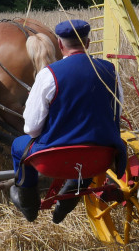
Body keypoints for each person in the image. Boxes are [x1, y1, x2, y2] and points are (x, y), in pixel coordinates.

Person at [9, 18, 127, 223]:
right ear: (88, 43)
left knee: (18, 147)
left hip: (52, 161)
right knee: (89, 149)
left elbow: (32, 128)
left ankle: (29, 205)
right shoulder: (110, 71)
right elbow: (117, 110)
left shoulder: (49, 74)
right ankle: (69, 198)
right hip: (101, 158)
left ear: (60, 44)